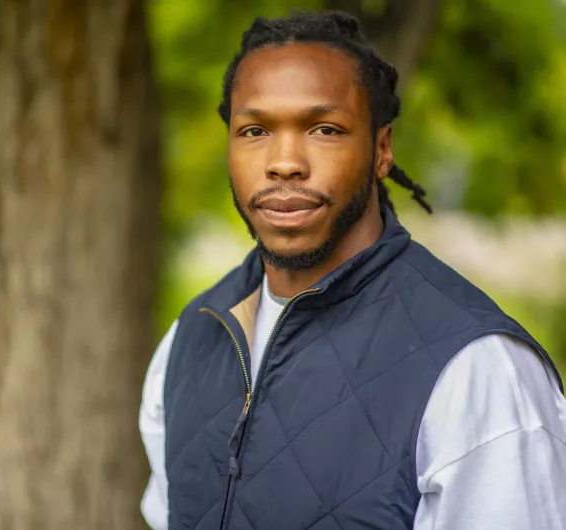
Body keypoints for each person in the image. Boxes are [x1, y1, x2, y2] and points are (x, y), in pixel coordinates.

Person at [140, 11, 566, 530]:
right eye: (254, 130)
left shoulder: (477, 370)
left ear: (381, 150)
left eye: (324, 129)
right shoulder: (189, 340)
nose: (285, 162)